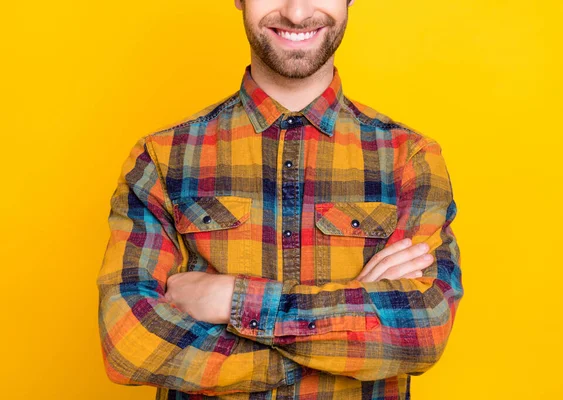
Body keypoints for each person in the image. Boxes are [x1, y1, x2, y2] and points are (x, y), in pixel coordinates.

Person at [96, 0, 464, 399]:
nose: (297, 13)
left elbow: (422, 329)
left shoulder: (410, 158)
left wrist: (232, 300)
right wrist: (349, 315)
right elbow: (129, 343)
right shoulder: (162, 157)